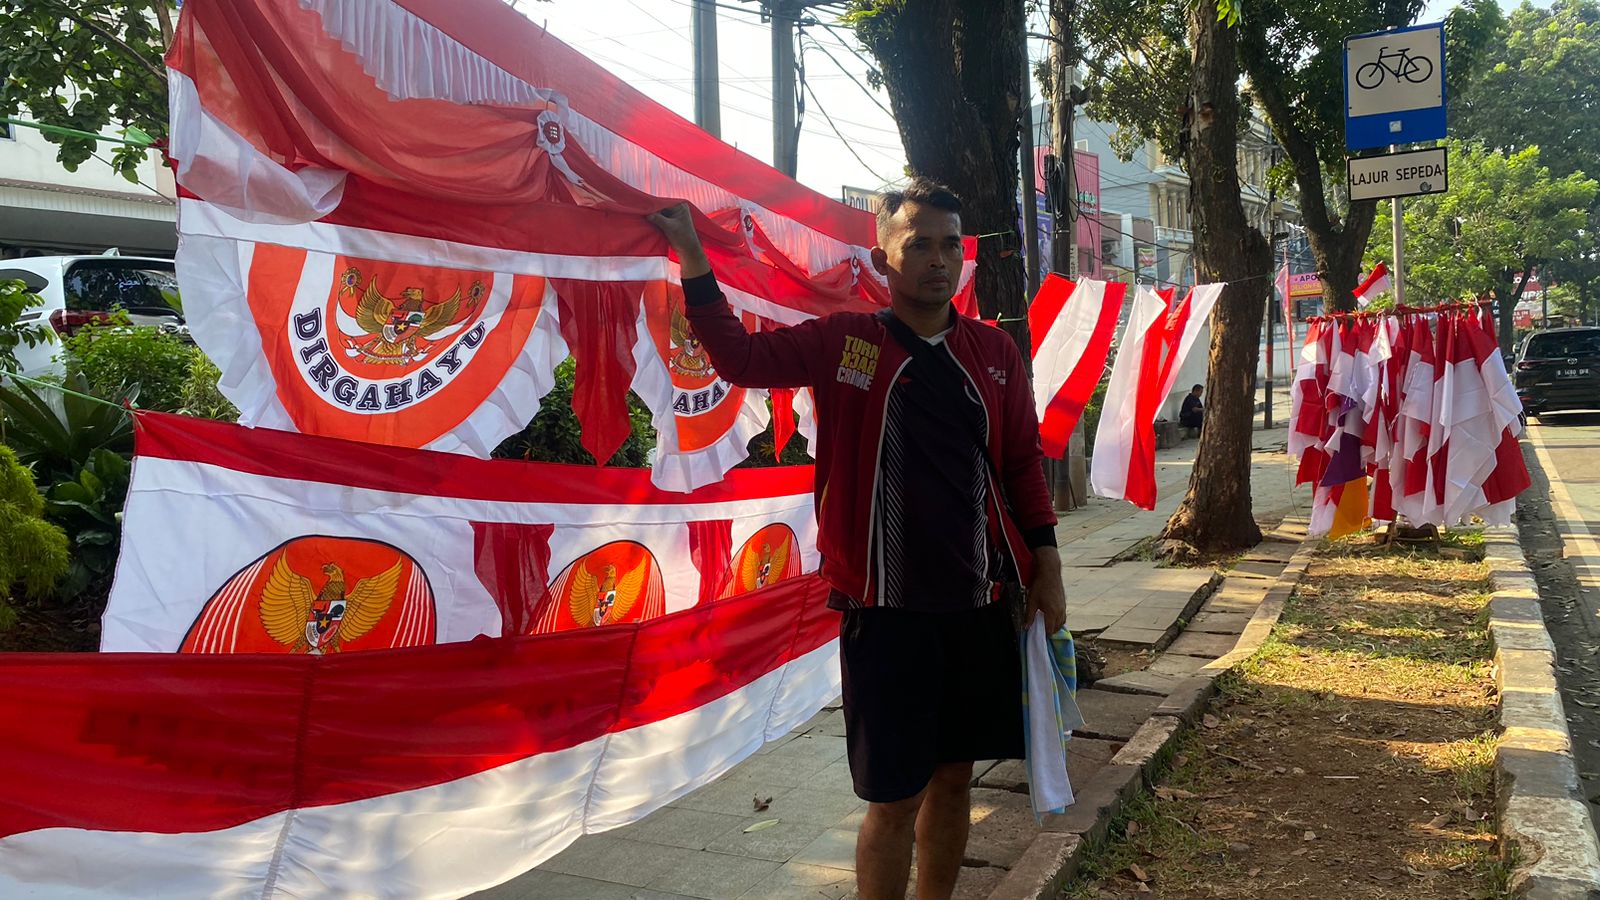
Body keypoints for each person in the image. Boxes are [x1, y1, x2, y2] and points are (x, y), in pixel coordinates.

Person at [647, 178, 1066, 900]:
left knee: (956, 776)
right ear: (884, 258)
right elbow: (742, 362)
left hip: (978, 604)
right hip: (884, 611)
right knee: (894, 797)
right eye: (919, 245)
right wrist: (692, 254)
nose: (939, 261)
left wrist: (1049, 565)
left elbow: (1023, 464)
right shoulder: (847, 342)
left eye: (949, 247)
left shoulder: (994, 354)